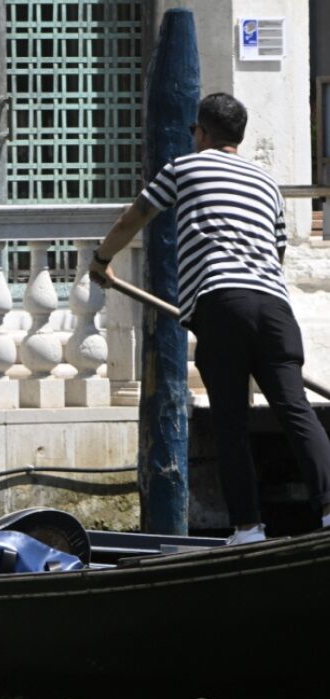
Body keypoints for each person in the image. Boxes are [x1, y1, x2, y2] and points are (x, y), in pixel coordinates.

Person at [88, 92, 330, 544]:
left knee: (231, 421)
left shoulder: (183, 167)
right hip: (275, 307)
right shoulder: (267, 182)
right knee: (295, 410)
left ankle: (247, 528)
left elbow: (134, 217)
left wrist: (101, 259)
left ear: (201, 131)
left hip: (221, 302)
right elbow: (275, 254)